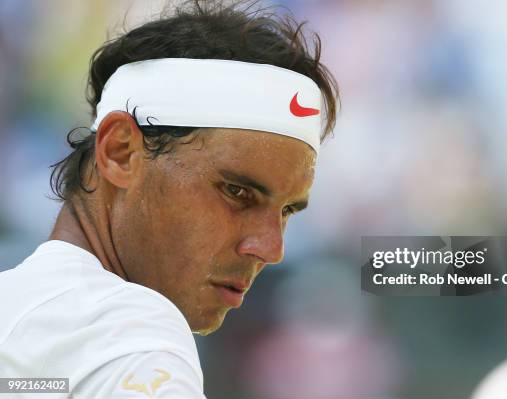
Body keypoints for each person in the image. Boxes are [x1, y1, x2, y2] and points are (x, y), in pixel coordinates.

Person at [0, 0, 339, 397]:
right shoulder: (133, 335)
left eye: (286, 212)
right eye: (237, 192)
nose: (270, 248)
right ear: (120, 152)